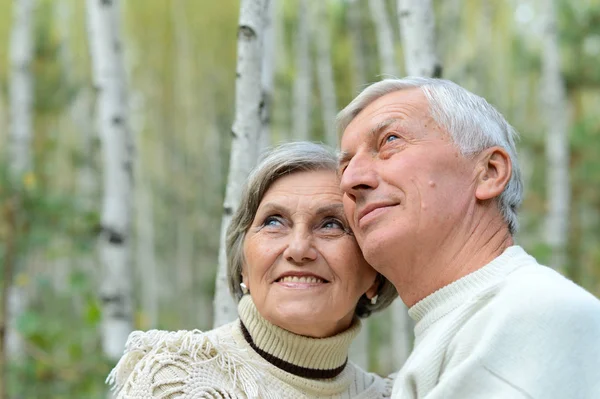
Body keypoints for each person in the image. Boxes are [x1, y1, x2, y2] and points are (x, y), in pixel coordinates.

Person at [336, 77, 600, 398]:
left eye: (390, 140)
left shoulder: (537, 319)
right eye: (345, 164)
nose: (351, 179)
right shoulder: (467, 328)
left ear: (488, 172)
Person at [108, 142, 397, 398]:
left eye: (331, 224)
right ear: (243, 265)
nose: (298, 249)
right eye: (274, 221)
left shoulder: (400, 394)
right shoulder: (178, 380)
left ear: (374, 274)